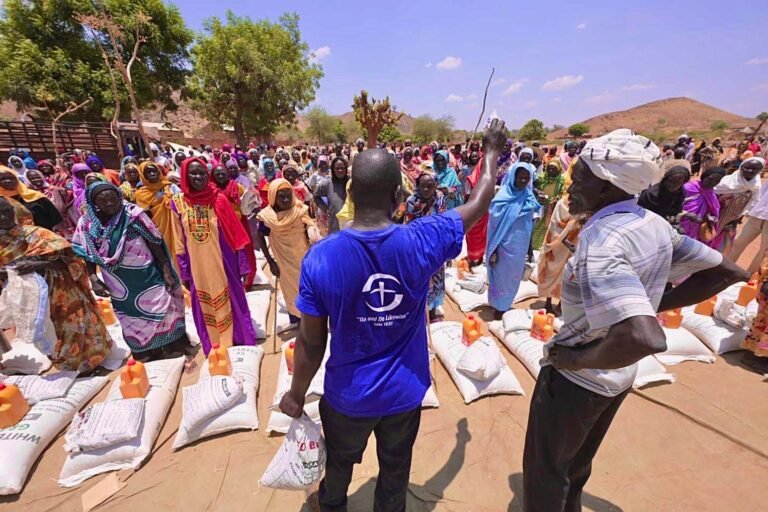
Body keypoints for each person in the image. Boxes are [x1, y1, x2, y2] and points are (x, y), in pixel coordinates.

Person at [278, 118, 509, 512]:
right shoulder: (423, 239)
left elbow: (311, 342)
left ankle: (332, 504)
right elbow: (480, 199)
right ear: (399, 195)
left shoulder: (321, 258)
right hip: (403, 395)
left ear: (351, 191)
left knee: (338, 467)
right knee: (395, 474)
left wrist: (296, 393)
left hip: (347, 397)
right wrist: (490, 151)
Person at [522, 129, 747, 512]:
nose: (571, 185)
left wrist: (574, 359)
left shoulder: (603, 243)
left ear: (609, 186)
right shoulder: (653, 224)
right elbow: (726, 271)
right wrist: (652, 301)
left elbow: (645, 338)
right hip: (616, 379)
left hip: (577, 381)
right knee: (576, 468)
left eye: (581, 177)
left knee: (546, 474)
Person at [72, 183, 188, 361]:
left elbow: (154, 241)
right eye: (103, 200)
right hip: (118, 282)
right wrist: (93, 277)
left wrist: (165, 269)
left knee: (161, 307)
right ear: (94, 203)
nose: (109, 203)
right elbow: (88, 253)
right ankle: (146, 351)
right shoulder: (87, 224)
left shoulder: (133, 215)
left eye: (112, 198)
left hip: (147, 274)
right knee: (131, 317)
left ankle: (171, 345)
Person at [0, 196, 113, 373]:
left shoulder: (37, 234)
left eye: (6, 211)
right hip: (30, 299)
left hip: (61, 290)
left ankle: (90, 364)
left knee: (74, 325)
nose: (3, 217)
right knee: (47, 331)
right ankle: (67, 366)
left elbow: (70, 259)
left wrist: (36, 265)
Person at [170, 158, 255, 355]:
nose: (198, 177)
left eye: (201, 172)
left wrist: (242, 265)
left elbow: (236, 235)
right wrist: (184, 272)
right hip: (197, 266)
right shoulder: (177, 203)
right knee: (203, 305)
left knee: (233, 299)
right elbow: (179, 241)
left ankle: (238, 341)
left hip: (225, 261)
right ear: (185, 175)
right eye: (193, 173)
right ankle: (215, 346)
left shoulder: (218, 198)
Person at [256, 179, 320, 327]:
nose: (285, 199)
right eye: (281, 196)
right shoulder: (267, 217)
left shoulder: (300, 210)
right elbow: (260, 235)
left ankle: (311, 323)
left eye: (288, 195)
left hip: (303, 259)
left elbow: (309, 226)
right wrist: (270, 262)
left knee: (308, 290)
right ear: (273, 197)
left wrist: (312, 232)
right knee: (291, 292)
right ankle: (299, 323)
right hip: (284, 263)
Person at [486, 162, 541, 319]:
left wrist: (530, 249)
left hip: (520, 247)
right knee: (501, 277)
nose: (523, 181)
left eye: (526, 178)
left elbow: (530, 223)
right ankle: (498, 307)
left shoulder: (528, 196)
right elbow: (494, 227)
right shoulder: (502, 198)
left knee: (513, 278)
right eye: (520, 178)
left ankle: (505, 304)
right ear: (512, 178)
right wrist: (494, 249)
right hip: (502, 246)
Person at [402, 172, 448, 321]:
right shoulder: (411, 201)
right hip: (418, 247)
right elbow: (408, 226)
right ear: (417, 186)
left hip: (436, 247)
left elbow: (444, 223)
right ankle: (419, 313)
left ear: (435, 186)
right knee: (418, 279)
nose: (426, 189)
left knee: (436, 279)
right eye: (423, 186)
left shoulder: (440, 199)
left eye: (430, 186)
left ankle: (433, 311)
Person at [537, 195, 585, 314]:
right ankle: (548, 301)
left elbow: (583, 224)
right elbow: (554, 225)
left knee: (566, 273)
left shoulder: (584, 206)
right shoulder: (561, 203)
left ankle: (560, 304)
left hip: (572, 245)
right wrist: (558, 240)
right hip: (555, 246)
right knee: (549, 270)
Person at [212, 164, 257, 289]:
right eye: (218, 174)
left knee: (245, 251)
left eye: (223, 173)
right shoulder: (210, 190)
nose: (221, 176)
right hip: (220, 227)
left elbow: (247, 204)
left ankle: (248, 280)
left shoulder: (237, 187)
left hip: (239, 223)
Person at [710, 157, 762, 253]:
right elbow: (712, 194)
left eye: (755, 168)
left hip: (733, 219)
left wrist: (740, 216)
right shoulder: (726, 181)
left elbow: (753, 201)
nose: (750, 170)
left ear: (760, 170)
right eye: (747, 167)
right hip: (716, 215)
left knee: (722, 245)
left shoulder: (756, 185)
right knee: (708, 237)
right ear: (741, 167)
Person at [727, 157, 768, 272]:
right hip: (758, 213)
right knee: (739, 242)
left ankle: (749, 278)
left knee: (764, 251)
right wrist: (750, 209)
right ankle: (725, 269)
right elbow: (761, 191)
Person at [679, 167, 727, 244]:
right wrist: (686, 214)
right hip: (678, 223)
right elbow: (674, 205)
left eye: (717, 181)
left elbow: (713, 213)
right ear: (705, 176)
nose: (712, 182)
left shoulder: (712, 196)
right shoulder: (688, 188)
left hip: (695, 229)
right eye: (711, 178)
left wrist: (710, 218)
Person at [531, 159, 567, 249]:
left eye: (554, 169)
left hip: (554, 207)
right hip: (540, 205)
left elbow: (563, 193)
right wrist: (538, 193)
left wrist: (555, 199)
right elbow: (535, 188)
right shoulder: (542, 178)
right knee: (537, 225)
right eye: (549, 168)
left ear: (558, 169)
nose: (551, 171)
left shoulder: (561, 180)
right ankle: (534, 245)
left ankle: (545, 245)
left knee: (549, 226)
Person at [313, 157, 349, 234]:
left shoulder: (351, 182)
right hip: (334, 222)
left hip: (350, 222)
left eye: (343, 168)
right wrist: (325, 208)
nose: (340, 170)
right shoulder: (327, 183)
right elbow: (316, 195)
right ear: (333, 169)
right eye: (337, 168)